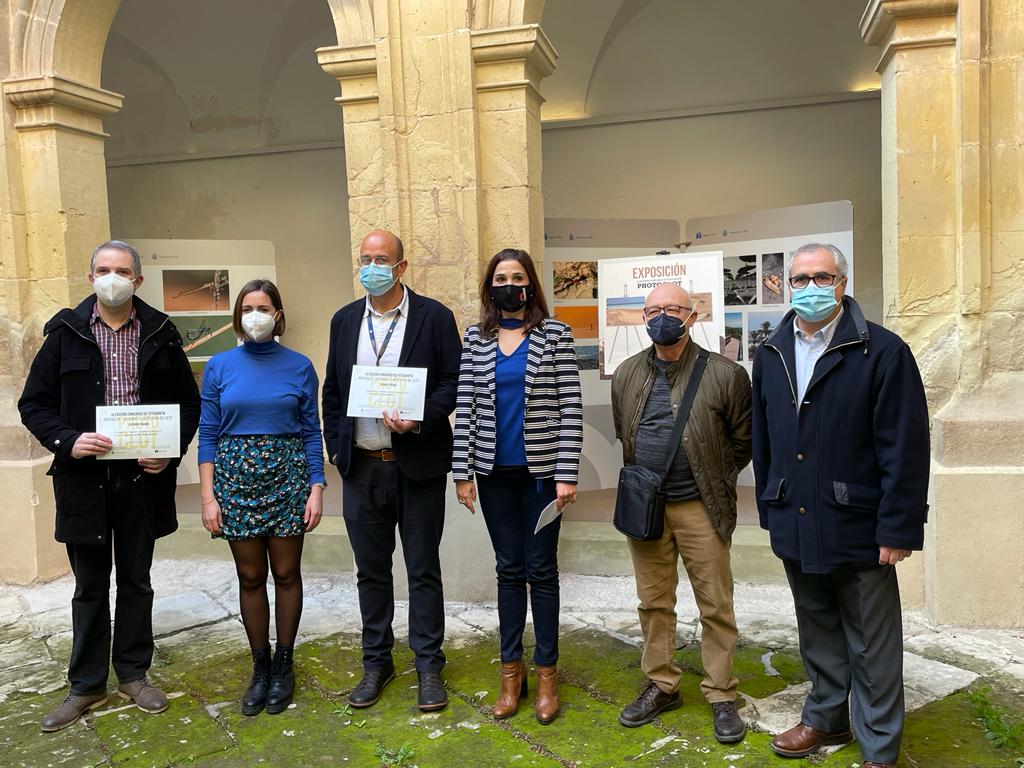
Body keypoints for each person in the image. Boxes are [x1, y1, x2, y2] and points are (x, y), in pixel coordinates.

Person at [752, 243, 930, 768]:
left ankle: (877, 747)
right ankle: (826, 718)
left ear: (842, 283)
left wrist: (897, 528)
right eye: (800, 278)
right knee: (817, 629)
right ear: (787, 286)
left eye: (821, 277)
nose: (810, 288)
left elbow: (905, 446)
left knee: (872, 645)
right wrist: (771, 507)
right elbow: (764, 441)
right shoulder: (772, 351)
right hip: (796, 517)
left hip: (859, 523)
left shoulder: (882, 351)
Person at [18, 240, 201, 731]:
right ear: (91, 277)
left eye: (122, 270)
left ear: (138, 280)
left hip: (142, 481)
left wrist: (169, 451)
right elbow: (33, 404)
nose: (112, 277)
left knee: (137, 581)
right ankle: (85, 684)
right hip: (84, 481)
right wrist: (67, 440)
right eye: (103, 269)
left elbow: (189, 404)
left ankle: (134, 674)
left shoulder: (161, 333)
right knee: (90, 586)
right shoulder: (64, 334)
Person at [321, 229, 461, 712]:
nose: (372, 267)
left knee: (423, 569)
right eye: (365, 258)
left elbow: (452, 384)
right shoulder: (343, 321)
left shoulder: (435, 317)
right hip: (361, 468)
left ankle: (428, 665)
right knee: (371, 573)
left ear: (401, 268)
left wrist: (420, 416)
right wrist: (336, 451)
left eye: (382, 259)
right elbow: (333, 392)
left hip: (416, 466)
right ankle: (376, 662)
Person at [610, 282, 752, 744]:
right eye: (652, 310)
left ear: (693, 316)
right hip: (647, 509)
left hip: (701, 508)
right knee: (653, 602)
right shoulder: (628, 373)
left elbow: (742, 442)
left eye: (672, 308)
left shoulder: (726, 374)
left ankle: (721, 692)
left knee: (715, 603)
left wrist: (712, 478)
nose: (662, 317)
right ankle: (662, 684)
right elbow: (624, 434)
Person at [453, 248, 583, 724]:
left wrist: (568, 473)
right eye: (501, 277)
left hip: (543, 476)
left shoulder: (555, 335)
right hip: (492, 475)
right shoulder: (476, 337)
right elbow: (464, 407)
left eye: (518, 277)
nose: (510, 284)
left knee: (541, 571)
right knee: (508, 570)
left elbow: (571, 406)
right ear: (491, 287)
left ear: (530, 286)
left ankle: (547, 674)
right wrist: (461, 473)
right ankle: (512, 673)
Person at [197, 279, 324, 716]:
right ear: (238, 314)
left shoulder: (300, 365)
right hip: (235, 480)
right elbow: (208, 433)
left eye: (264, 306)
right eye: (248, 307)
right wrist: (208, 496)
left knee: (286, 574)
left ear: (279, 314)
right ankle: (260, 665)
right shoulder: (219, 366)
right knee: (250, 577)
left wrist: (317, 487)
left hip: (288, 477)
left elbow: (311, 431)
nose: (256, 314)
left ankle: (285, 663)